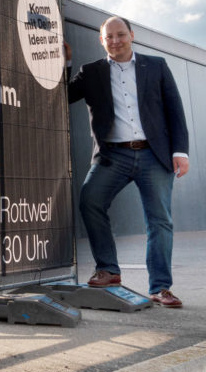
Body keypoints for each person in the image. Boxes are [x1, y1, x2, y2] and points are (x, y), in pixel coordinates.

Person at [66, 16, 189, 309]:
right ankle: (108, 270)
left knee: (159, 220)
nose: (115, 41)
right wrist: (64, 65)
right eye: (109, 37)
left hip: (154, 155)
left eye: (120, 35)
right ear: (102, 41)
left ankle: (161, 288)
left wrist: (180, 151)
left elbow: (175, 110)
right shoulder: (91, 72)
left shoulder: (156, 66)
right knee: (90, 201)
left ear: (132, 35)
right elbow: (62, 95)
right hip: (113, 156)